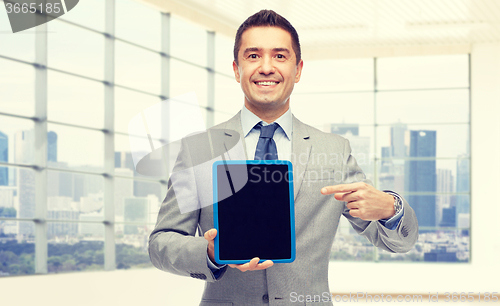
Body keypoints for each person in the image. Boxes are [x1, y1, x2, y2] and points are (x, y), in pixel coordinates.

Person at [149, 9, 418, 306]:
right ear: (237, 69)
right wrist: (211, 253)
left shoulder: (334, 151)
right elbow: (162, 243)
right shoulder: (200, 149)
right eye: (253, 56)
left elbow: (399, 241)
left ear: (298, 69)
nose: (266, 67)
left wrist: (390, 208)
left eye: (280, 56)